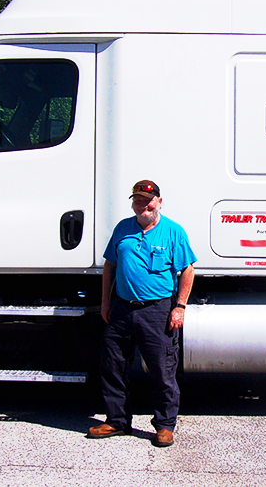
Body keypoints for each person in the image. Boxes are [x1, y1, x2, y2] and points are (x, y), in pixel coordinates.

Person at [87, 179, 196, 447]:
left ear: (158, 201)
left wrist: (179, 307)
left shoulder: (173, 231)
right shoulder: (123, 229)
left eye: (148, 200)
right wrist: (105, 303)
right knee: (112, 364)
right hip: (123, 308)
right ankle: (117, 420)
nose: (143, 205)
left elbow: (188, 271)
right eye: (137, 200)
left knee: (162, 370)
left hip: (157, 310)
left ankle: (164, 425)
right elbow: (109, 266)